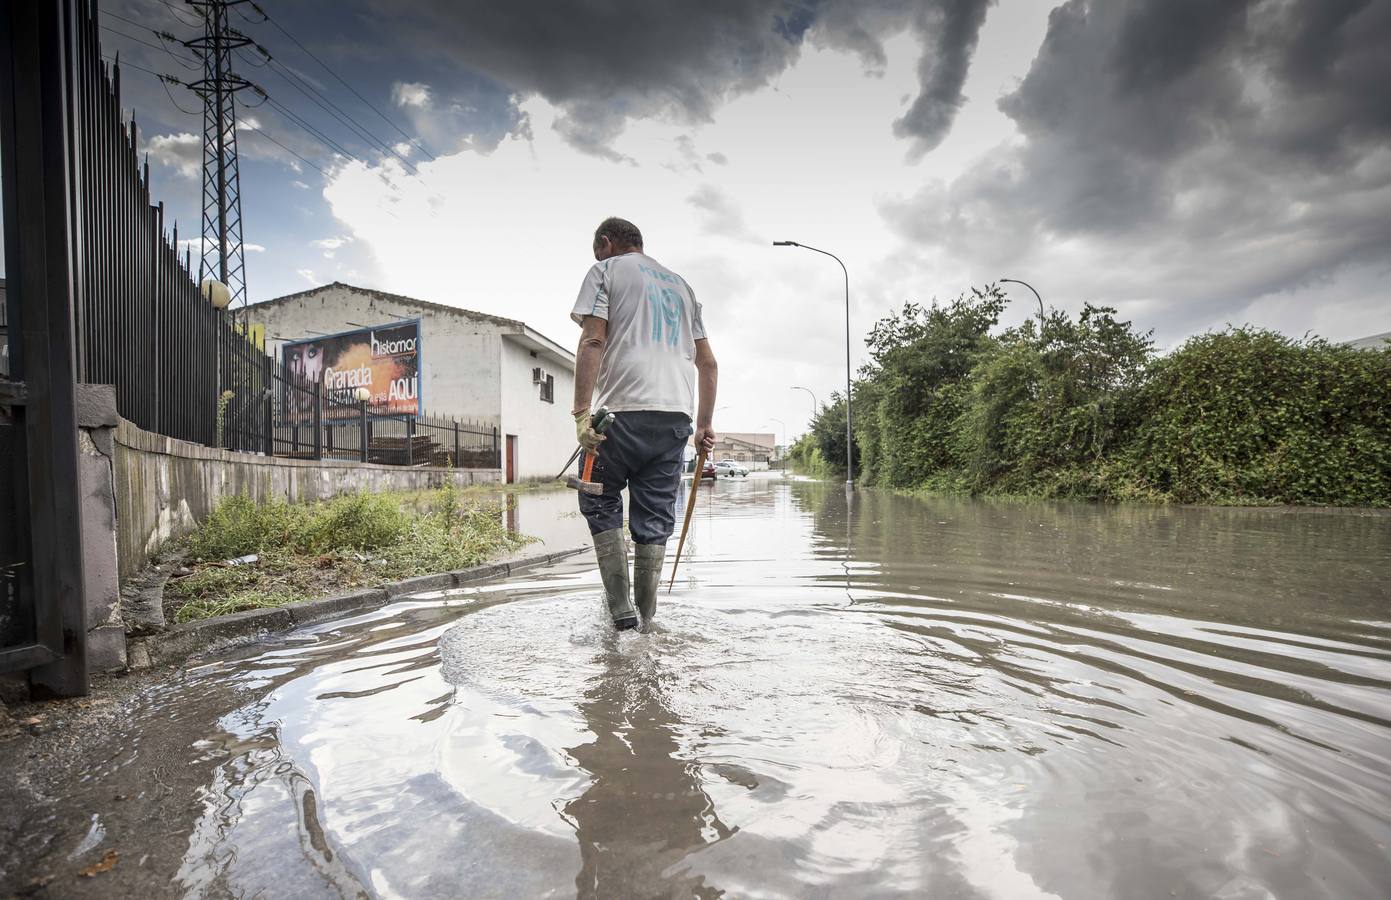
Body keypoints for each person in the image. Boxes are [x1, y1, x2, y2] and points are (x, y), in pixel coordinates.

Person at [570, 217, 718, 630]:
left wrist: (581, 413)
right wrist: (704, 425)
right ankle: (647, 623)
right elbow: (708, 363)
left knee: (598, 497)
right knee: (654, 517)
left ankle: (621, 615)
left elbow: (593, 340)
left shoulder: (605, 270)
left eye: (597, 250)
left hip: (621, 411)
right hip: (675, 419)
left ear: (606, 243)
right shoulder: (683, 287)